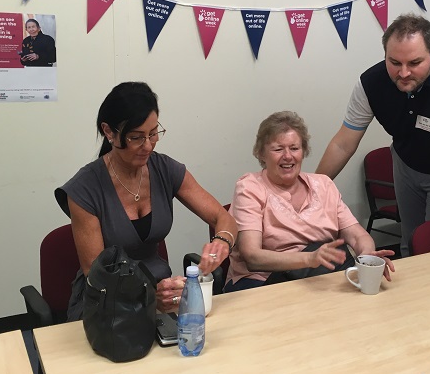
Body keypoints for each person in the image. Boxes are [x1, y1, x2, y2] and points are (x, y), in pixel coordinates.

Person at [55, 81, 238, 320]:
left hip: (162, 295)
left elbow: (223, 218)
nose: (148, 146)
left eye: (153, 133)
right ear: (109, 132)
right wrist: (150, 295)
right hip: (106, 304)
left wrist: (222, 242)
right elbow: (96, 274)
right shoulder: (85, 189)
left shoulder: (165, 169)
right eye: (136, 138)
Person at [316, 14, 430, 265]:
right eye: (394, 62)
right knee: (410, 239)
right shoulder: (370, 83)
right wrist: (312, 189)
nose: (403, 73)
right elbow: (343, 143)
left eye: (414, 62)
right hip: (405, 164)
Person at [224, 111, 395, 292]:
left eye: (294, 148)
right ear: (261, 154)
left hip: (318, 279)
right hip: (261, 282)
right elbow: (252, 257)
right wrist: (309, 259)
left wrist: (367, 258)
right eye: (278, 149)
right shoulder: (249, 187)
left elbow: (357, 235)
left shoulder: (324, 185)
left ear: (304, 151)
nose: (288, 156)